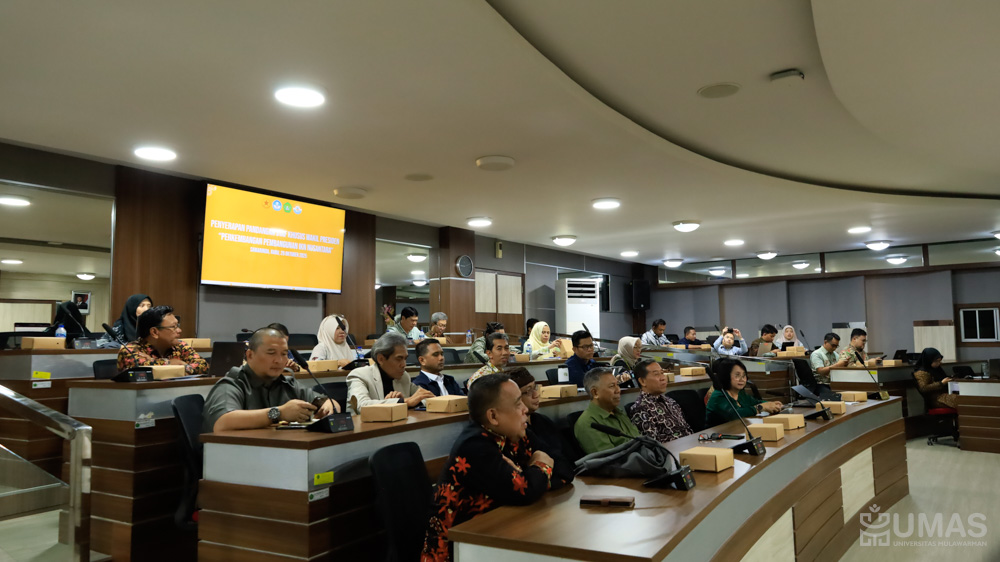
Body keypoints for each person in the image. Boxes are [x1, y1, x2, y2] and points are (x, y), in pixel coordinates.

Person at [421, 373, 553, 562]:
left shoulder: (512, 433)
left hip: (495, 535)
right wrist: (541, 465)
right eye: (518, 404)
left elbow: (562, 465)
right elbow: (526, 491)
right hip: (459, 549)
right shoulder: (475, 445)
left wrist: (532, 475)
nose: (525, 409)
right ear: (493, 416)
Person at [201, 328, 338, 432]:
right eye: (271, 353)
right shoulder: (232, 384)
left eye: (284, 354)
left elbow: (329, 403)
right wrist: (279, 413)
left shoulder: (286, 383)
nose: (279, 360)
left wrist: (329, 406)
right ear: (250, 355)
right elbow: (222, 422)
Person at [507, 368, 574, 488]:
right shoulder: (514, 432)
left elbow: (567, 463)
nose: (536, 394)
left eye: (535, 388)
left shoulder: (543, 421)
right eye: (528, 391)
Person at [346, 332, 434, 413]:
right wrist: (403, 402)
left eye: (405, 359)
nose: (404, 364)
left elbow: (426, 397)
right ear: (381, 359)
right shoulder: (360, 375)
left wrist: (403, 402)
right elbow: (362, 406)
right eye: (399, 358)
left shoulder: (403, 376)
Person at [116, 305, 208, 375]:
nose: (179, 330)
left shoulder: (180, 346)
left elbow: (203, 365)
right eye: (173, 327)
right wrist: (171, 363)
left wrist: (180, 367)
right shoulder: (130, 350)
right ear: (154, 332)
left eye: (178, 326)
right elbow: (142, 368)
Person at [573, 368, 641, 454]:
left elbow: (639, 440)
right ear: (595, 393)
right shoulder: (587, 423)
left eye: (617, 385)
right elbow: (610, 459)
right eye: (612, 386)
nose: (618, 390)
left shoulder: (618, 412)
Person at [628, 359, 693, 442]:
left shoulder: (670, 401)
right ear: (642, 381)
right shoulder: (640, 409)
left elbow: (686, 428)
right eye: (656, 374)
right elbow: (653, 444)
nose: (663, 378)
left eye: (662, 373)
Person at [706, 358, 783, 427]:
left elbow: (756, 402)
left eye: (744, 375)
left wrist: (771, 405)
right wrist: (760, 407)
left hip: (737, 431)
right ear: (726, 376)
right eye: (737, 375)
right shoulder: (718, 396)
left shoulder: (740, 393)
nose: (742, 379)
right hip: (717, 435)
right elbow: (734, 415)